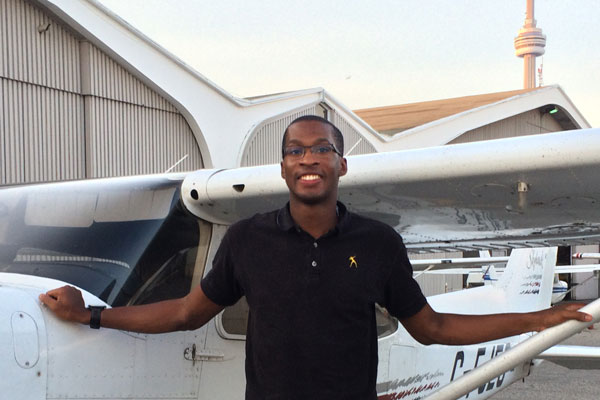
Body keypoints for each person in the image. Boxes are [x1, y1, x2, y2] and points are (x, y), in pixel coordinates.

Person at [40, 115, 593, 399]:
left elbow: (432, 326)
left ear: (340, 166)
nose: (309, 159)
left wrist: (539, 319)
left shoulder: (377, 243)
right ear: (283, 168)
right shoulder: (248, 240)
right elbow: (187, 312)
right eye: (296, 151)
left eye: (323, 149)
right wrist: (93, 313)